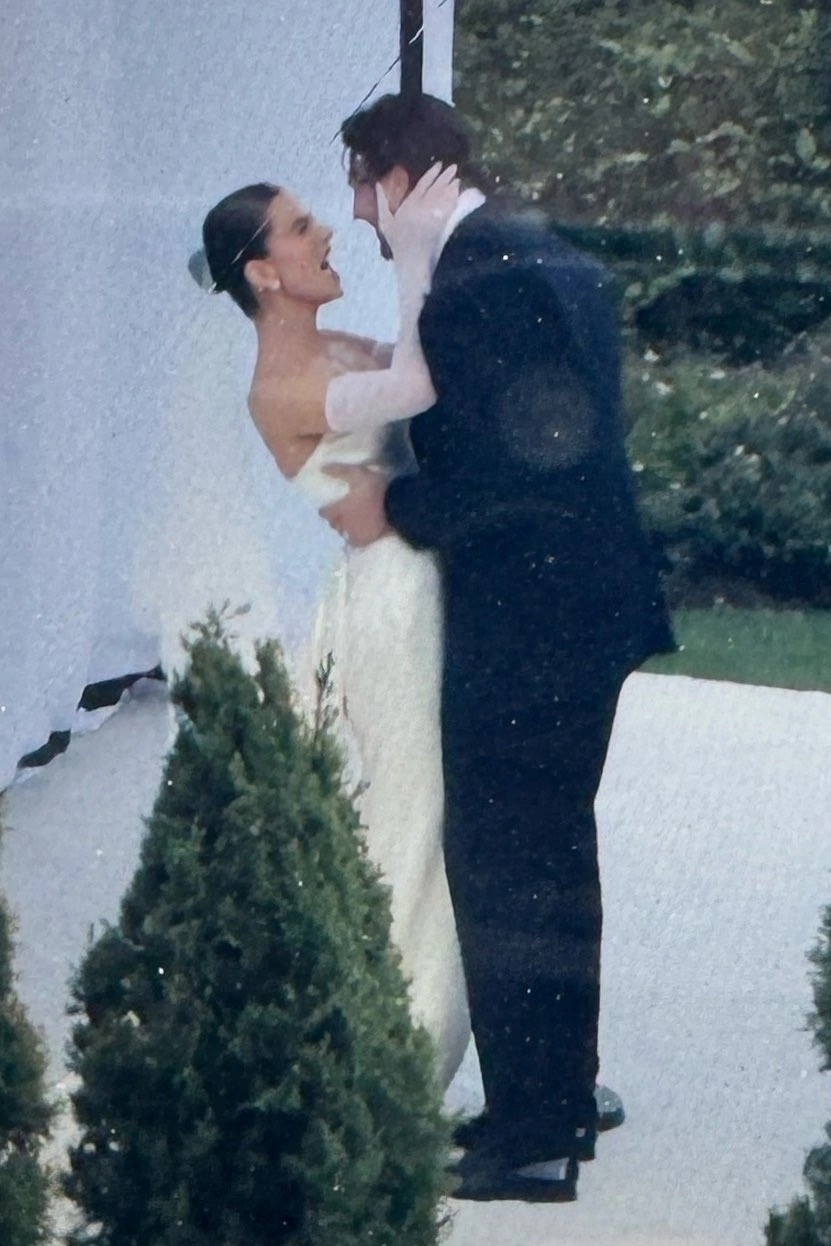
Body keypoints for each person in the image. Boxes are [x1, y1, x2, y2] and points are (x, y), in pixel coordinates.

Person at [327, 92, 676, 1202]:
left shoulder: (476, 281)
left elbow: (511, 467)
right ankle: (555, 1098)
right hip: (581, 612)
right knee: (551, 863)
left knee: (507, 868)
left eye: (359, 184)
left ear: (396, 176)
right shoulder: (526, 248)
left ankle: (531, 1137)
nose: (357, 211)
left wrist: (395, 504)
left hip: (533, 623)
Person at [198, 171, 472, 1091]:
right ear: (263, 272)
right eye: (300, 227)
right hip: (389, 603)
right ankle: (394, 1051)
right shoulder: (280, 386)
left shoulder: (340, 348)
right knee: (409, 811)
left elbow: (428, 373)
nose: (324, 235)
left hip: (422, 582)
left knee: (433, 809)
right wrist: (413, 251)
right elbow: (416, 383)